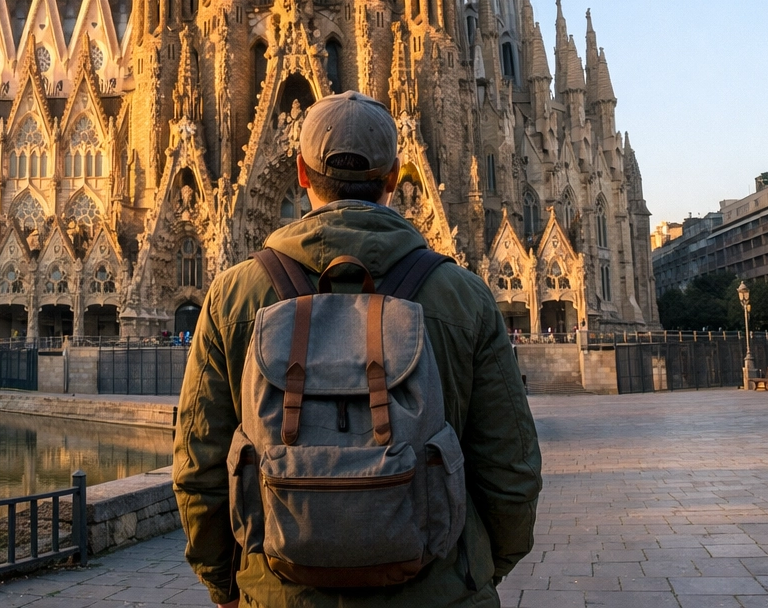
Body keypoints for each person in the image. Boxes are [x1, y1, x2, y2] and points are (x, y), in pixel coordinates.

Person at [174, 90, 542, 608]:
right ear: (394, 176)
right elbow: (512, 471)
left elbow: (197, 470)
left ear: (301, 174)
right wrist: (473, 569)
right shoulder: (463, 297)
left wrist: (228, 586)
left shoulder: (234, 295)